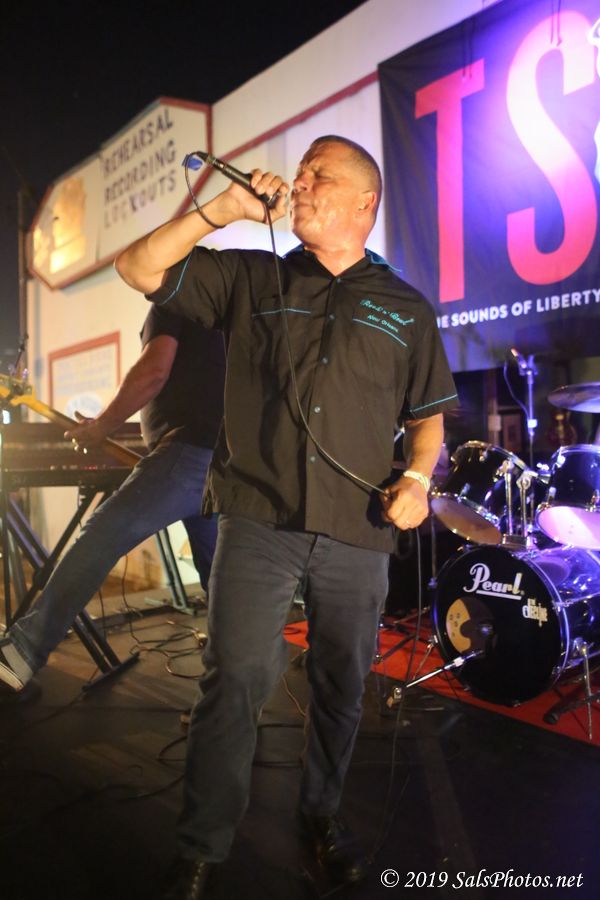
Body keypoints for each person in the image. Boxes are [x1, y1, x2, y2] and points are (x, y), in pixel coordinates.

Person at [115, 135, 458, 899]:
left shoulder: (407, 307)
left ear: (365, 201)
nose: (299, 184)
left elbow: (429, 418)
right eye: (299, 173)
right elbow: (137, 268)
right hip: (257, 516)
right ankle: (202, 846)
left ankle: (321, 817)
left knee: (341, 682)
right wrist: (223, 209)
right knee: (235, 675)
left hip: (358, 526)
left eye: (318, 175)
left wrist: (417, 477)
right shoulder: (251, 275)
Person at [0, 305, 225, 691]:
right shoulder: (218, 311)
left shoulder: (173, 301)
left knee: (100, 538)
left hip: (185, 453)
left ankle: (22, 651)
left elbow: (154, 371)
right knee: (219, 575)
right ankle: (227, 694)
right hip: (220, 459)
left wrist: (101, 426)